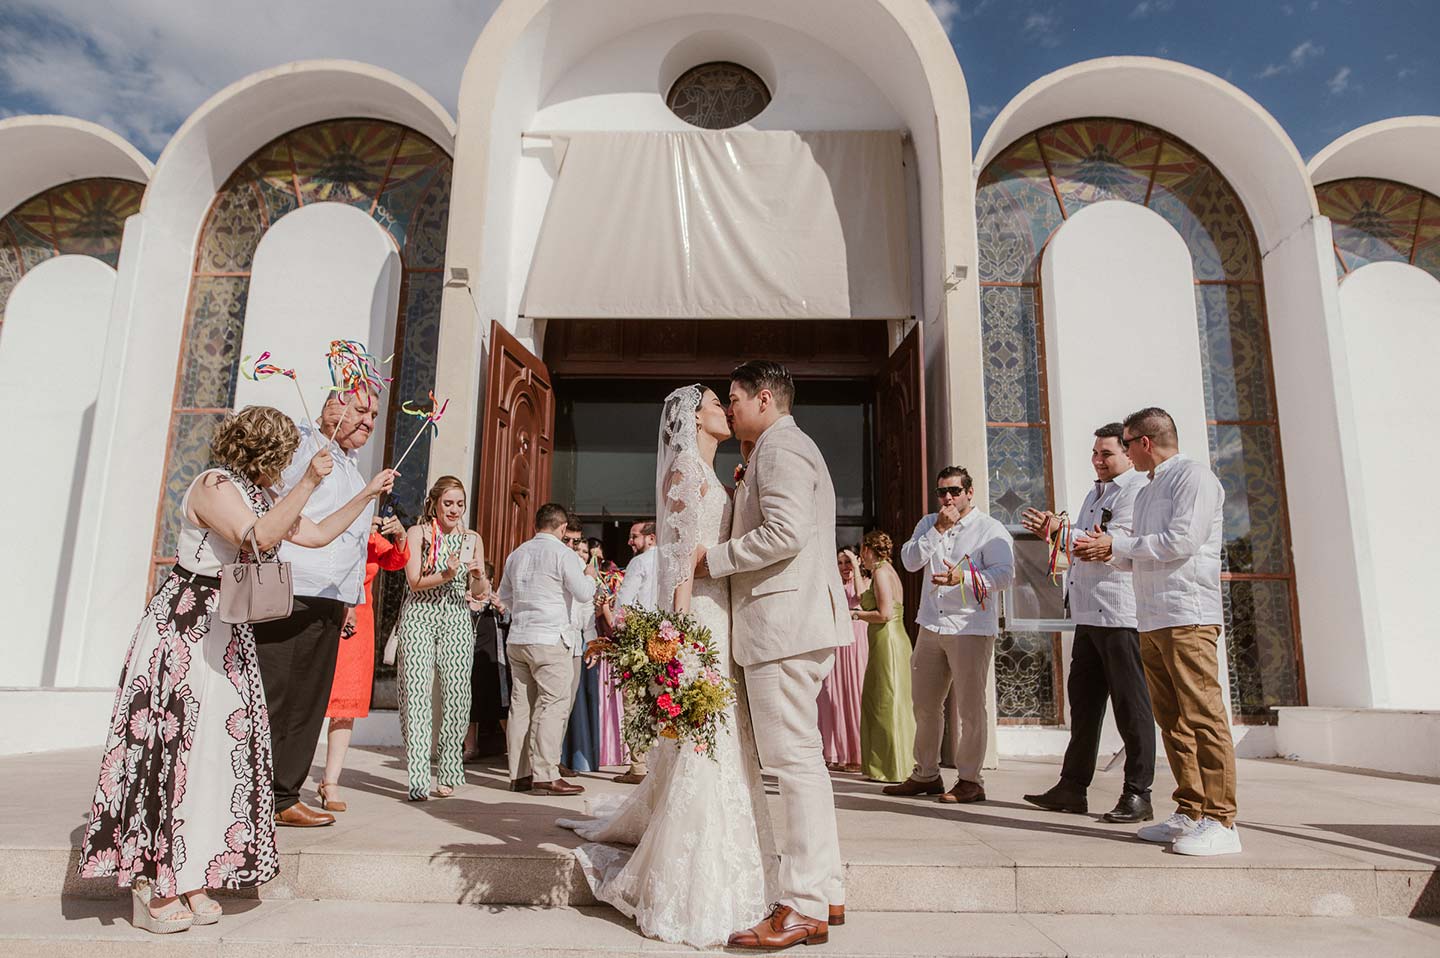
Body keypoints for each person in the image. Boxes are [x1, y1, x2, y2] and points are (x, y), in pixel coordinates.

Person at [79, 406, 394, 933]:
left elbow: (314, 536)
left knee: (214, 756)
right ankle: (153, 887)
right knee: (175, 754)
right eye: (284, 456)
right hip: (186, 629)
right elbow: (257, 539)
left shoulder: (259, 495)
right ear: (263, 451)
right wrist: (312, 479)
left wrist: (363, 497)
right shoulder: (214, 485)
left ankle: (192, 876)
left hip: (226, 631)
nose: (289, 465)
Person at [558, 383, 779, 948]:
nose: (725, 410)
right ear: (693, 419)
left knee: (725, 736)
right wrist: (677, 639)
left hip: (724, 615)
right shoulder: (683, 469)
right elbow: (678, 563)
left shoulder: (714, 470)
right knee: (707, 737)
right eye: (715, 404)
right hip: (700, 617)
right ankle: (690, 874)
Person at [701, 361, 852, 949]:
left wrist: (710, 561)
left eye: (735, 398)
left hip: (784, 627)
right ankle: (827, 889)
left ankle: (803, 905)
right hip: (790, 627)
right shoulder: (776, 449)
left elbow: (786, 532)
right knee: (802, 763)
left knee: (793, 767)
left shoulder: (783, 448)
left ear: (765, 398)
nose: (730, 408)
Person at [1074, 407, 1239, 856]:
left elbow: (1182, 541)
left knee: (1203, 715)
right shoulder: (1148, 490)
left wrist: (1119, 544)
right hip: (1150, 617)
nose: (1123, 451)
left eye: (1125, 443)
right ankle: (1189, 810)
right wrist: (1104, 550)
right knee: (1172, 720)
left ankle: (1222, 819)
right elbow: (1135, 555)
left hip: (1187, 613)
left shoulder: (1194, 479)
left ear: (1144, 442)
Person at [253, 389, 383, 828]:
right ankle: (253, 793)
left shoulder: (350, 466)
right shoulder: (303, 446)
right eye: (361, 411)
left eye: (374, 415)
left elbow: (352, 543)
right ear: (332, 409)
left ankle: (285, 794)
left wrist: (352, 598)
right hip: (293, 588)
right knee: (275, 696)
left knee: (308, 702)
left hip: (332, 596)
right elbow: (273, 501)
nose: (369, 422)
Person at [1021, 423, 1156, 824]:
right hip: (1086, 613)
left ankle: (1138, 793)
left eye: (1107, 454)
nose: (1098, 460)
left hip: (1119, 615)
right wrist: (1062, 535)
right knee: (1083, 705)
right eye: (1095, 453)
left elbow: (1109, 544)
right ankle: (1072, 786)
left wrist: (1062, 532)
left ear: (1129, 454)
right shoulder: (1091, 495)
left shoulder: (1136, 492)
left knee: (1131, 707)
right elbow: (1082, 546)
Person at [887, 466, 1014, 805]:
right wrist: (939, 529)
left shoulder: (990, 529)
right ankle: (926, 773)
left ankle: (971, 780)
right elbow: (910, 561)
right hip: (931, 624)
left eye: (955, 491)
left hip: (969, 627)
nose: (948, 498)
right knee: (925, 705)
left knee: (971, 710)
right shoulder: (929, 523)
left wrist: (965, 578)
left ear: (970, 493)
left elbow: (1005, 576)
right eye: (942, 491)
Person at [395, 476, 489, 801]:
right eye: (448, 503)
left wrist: (477, 577)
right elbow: (414, 581)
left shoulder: (472, 538)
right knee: (417, 694)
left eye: (460, 504)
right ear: (435, 503)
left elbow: (479, 593)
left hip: (456, 616)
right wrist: (446, 574)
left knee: (457, 694)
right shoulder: (418, 533)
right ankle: (418, 776)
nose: (454, 509)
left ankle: (449, 769)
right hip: (420, 614)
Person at [498, 503, 598, 796]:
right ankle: (545, 773)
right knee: (552, 705)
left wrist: (526, 614)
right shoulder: (563, 554)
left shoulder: (517, 554)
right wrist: (590, 575)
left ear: (536, 524)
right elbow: (583, 593)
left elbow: (505, 596)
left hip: (519, 637)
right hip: (550, 637)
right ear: (563, 528)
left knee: (521, 707)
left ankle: (519, 775)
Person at [317, 510, 410, 812]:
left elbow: (396, 561)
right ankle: (284, 777)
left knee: (344, 707)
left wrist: (399, 536)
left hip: (358, 626)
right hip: (326, 615)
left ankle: (330, 781)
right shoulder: (328, 528)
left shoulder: (371, 537)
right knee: (309, 698)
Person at [851, 531, 916, 784]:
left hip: (887, 641)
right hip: (889, 640)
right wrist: (857, 570)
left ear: (868, 549)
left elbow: (884, 614)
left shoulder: (880, 573)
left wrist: (854, 615)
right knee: (887, 701)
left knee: (885, 703)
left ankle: (891, 767)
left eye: (861, 551)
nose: (860, 556)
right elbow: (864, 596)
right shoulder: (887, 570)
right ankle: (894, 764)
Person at [598, 520, 657, 783]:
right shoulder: (669, 560)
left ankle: (638, 767)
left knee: (634, 703)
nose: (629, 542)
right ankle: (656, 763)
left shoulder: (639, 563)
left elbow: (624, 604)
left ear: (651, 538)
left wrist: (614, 624)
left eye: (634, 536)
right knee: (661, 702)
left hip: (638, 639)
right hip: (665, 637)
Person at [819, 548, 870, 772]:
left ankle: (859, 753)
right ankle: (837, 752)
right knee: (833, 695)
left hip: (858, 640)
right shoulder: (833, 586)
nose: (844, 567)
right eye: (839, 563)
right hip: (837, 640)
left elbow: (860, 597)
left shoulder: (866, 581)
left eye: (847, 561)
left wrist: (856, 568)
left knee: (857, 693)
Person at [561, 521, 601, 775]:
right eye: (569, 541)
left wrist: (592, 642)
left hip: (576, 638)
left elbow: (586, 607)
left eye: (576, 543)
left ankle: (564, 760)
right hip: (552, 636)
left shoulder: (579, 566)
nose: (573, 547)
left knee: (569, 703)